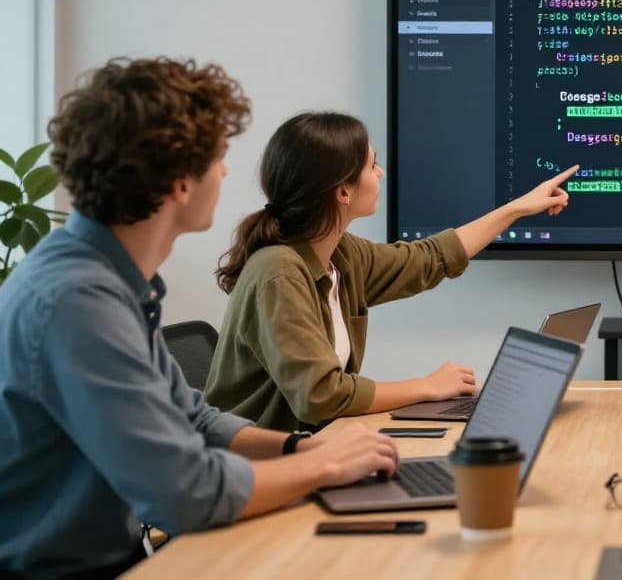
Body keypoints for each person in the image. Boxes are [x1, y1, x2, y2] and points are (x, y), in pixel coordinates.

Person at [0, 58, 399, 579]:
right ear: (179, 183)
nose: (227, 170)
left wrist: (302, 446)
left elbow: (192, 416)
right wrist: (324, 466)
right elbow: (185, 493)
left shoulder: (105, 279)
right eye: (218, 156)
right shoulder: (77, 303)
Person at [205, 111, 577, 431]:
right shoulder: (280, 272)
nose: (380, 173)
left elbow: (428, 258)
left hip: (319, 447)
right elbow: (320, 396)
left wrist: (515, 210)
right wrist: (427, 386)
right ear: (343, 192)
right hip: (257, 472)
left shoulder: (340, 255)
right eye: (371, 165)